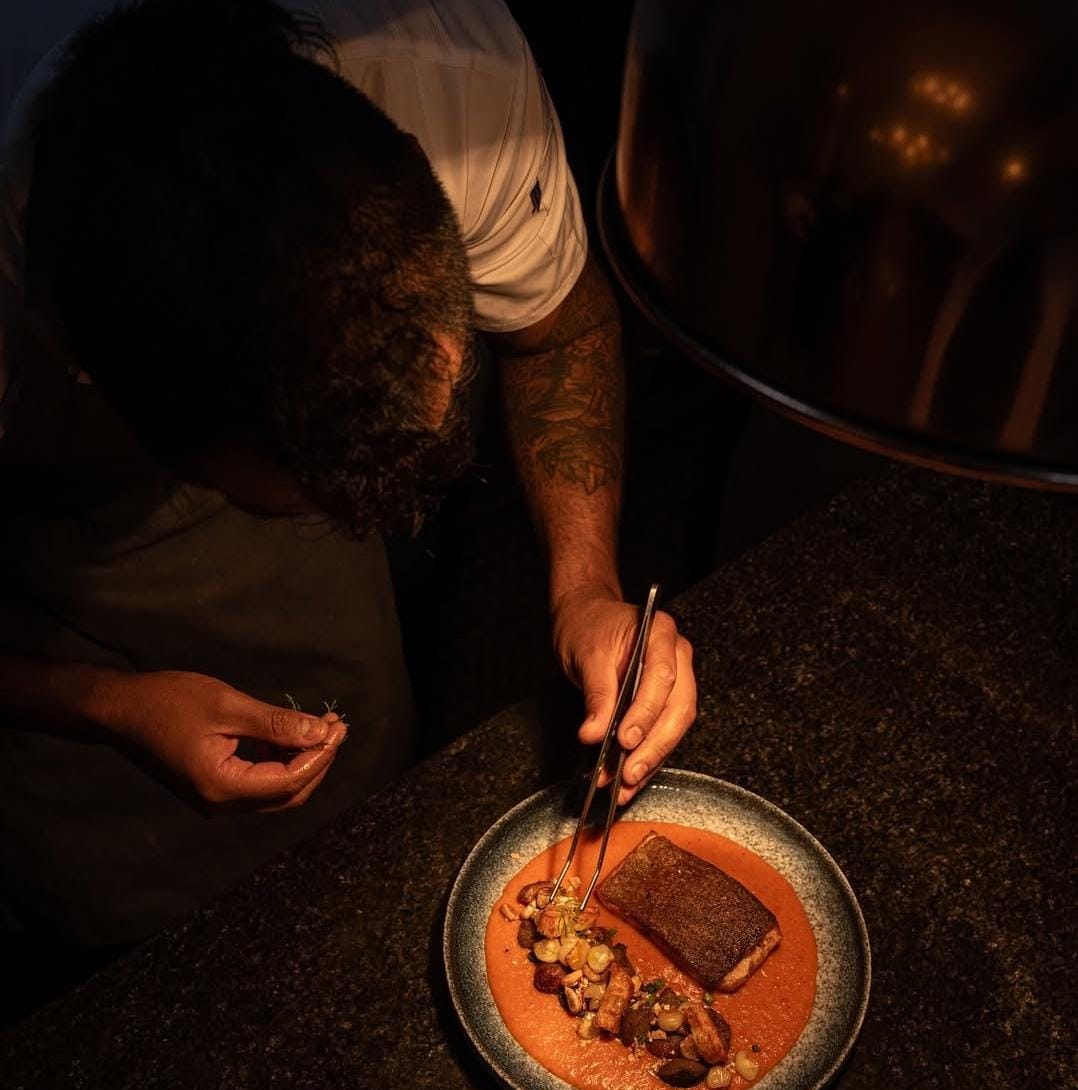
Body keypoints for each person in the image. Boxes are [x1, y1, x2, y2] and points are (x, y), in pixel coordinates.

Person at [0, 0, 697, 949]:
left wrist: (584, 586)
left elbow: (559, 330)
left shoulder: (453, 81)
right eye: (300, 503)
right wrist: (103, 704)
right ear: (121, 397)